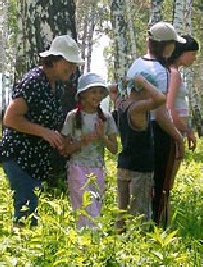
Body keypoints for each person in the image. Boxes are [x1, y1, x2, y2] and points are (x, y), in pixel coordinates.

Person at [0, 34, 83, 226]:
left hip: (34, 160)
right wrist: (45, 132)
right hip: (19, 156)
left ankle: (23, 250)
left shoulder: (56, 85)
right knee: (26, 211)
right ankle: (20, 253)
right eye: (70, 63)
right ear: (56, 60)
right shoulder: (34, 81)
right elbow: (10, 118)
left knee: (29, 210)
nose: (73, 68)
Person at [125, 22, 185, 228]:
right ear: (166, 46)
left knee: (138, 180)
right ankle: (157, 228)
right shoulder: (162, 71)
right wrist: (177, 136)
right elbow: (160, 112)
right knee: (160, 185)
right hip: (157, 133)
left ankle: (134, 224)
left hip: (134, 129)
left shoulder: (135, 65)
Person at [61, 73, 118, 230]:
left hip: (97, 169)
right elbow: (65, 149)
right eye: (93, 91)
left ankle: (92, 246)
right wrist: (83, 142)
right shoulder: (72, 117)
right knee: (83, 209)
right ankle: (86, 245)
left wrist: (102, 137)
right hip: (77, 168)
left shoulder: (106, 118)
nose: (98, 96)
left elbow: (114, 149)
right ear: (83, 95)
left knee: (95, 208)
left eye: (100, 92)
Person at [115, 74, 166, 231]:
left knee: (121, 213)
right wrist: (143, 82)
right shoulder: (137, 108)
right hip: (140, 168)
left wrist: (124, 82)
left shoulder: (121, 104)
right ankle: (138, 248)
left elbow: (111, 90)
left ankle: (118, 244)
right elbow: (160, 99)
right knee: (139, 214)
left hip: (124, 166)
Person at [165, 34, 200, 186]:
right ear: (182, 53)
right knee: (167, 182)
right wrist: (186, 131)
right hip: (174, 132)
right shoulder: (174, 74)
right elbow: (170, 107)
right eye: (192, 54)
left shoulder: (170, 71)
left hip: (175, 131)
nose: (194, 58)